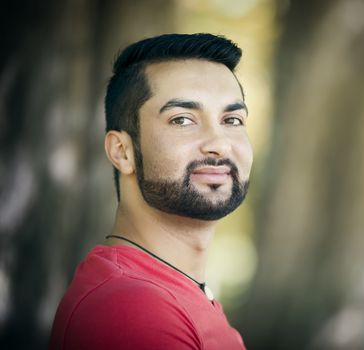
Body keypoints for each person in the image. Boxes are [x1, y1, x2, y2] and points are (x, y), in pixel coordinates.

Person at [49, 33, 252, 350]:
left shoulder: (171, 290)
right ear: (122, 151)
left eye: (232, 119)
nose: (220, 143)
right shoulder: (131, 309)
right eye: (182, 119)